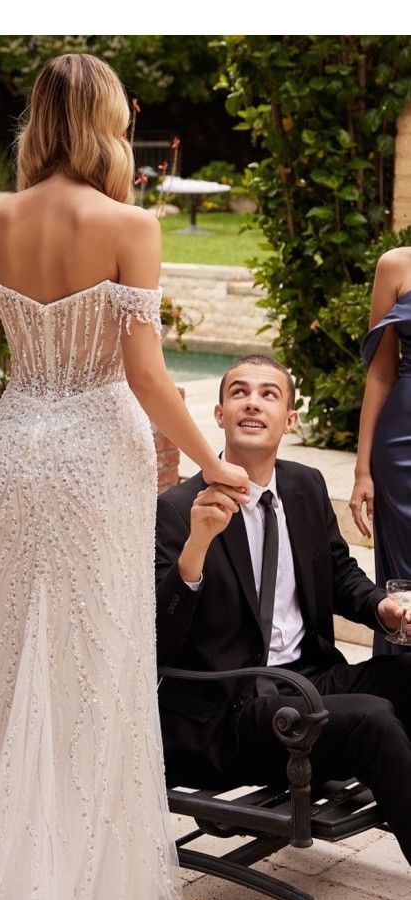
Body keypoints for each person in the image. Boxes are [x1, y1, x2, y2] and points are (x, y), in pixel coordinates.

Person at [0, 53, 249, 900]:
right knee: (100, 650)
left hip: (19, 443)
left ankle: (15, 860)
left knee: (23, 644)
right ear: (108, 120)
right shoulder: (129, 224)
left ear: (36, 119)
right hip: (99, 452)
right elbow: (146, 377)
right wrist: (217, 461)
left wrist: (1, 457)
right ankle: (85, 872)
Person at [155, 354, 411, 865]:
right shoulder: (180, 509)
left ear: (290, 419)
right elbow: (158, 638)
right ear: (219, 414)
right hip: (232, 707)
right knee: (372, 720)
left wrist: (382, 607)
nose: (253, 401)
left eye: (269, 394)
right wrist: (196, 549)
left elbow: (339, 575)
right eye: (239, 393)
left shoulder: (305, 486)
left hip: (309, 679)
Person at [350, 246, 411, 656]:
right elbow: (382, 371)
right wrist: (362, 471)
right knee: (405, 585)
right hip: (402, 447)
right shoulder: (397, 265)